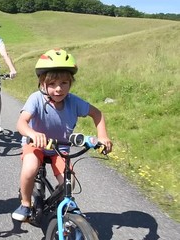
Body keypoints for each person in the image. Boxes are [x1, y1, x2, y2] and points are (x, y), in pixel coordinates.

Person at [11, 48, 113, 221]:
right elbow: (21, 123)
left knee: (69, 182)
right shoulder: (36, 99)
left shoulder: (73, 101)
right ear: (43, 83)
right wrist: (33, 133)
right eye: (52, 84)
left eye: (64, 83)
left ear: (70, 83)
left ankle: (59, 208)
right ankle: (26, 203)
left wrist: (102, 136)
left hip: (60, 148)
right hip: (36, 144)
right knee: (29, 169)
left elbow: (98, 114)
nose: (58, 89)